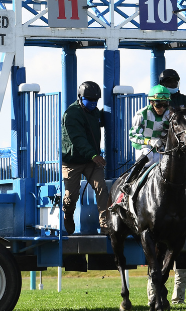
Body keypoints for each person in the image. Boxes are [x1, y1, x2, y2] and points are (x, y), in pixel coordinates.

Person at [111, 85, 173, 213]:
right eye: (158, 104)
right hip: (146, 148)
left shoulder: (169, 114)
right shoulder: (142, 114)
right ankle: (126, 187)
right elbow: (132, 135)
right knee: (146, 156)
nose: (161, 108)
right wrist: (149, 141)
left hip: (162, 148)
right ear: (151, 102)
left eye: (165, 104)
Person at [61, 81, 110, 235]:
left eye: (96, 100)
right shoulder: (71, 114)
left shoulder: (95, 112)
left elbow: (101, 118)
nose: (93, 103)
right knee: (71, 196)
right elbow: (78, 139)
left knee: (101, 187)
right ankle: (67, 214)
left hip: (90, 161)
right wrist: (94, 155)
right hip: (72, 161)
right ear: (80, 98)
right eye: (90, 100)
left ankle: (105, 224)